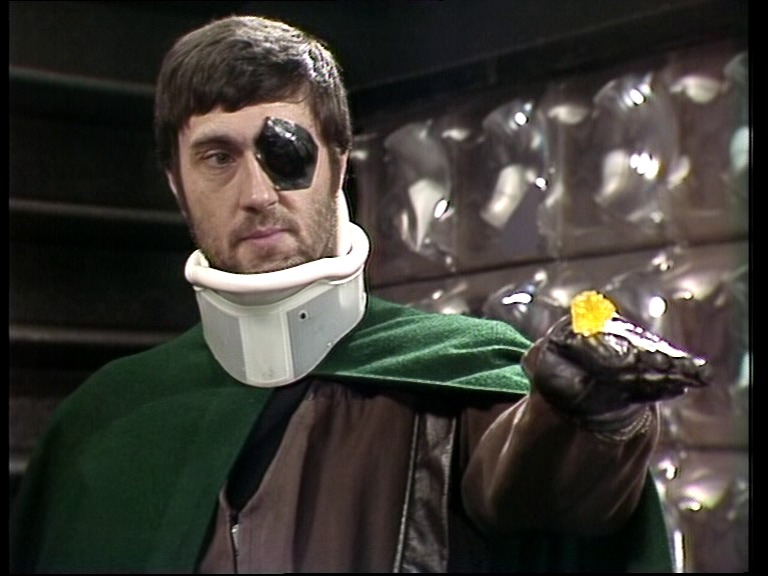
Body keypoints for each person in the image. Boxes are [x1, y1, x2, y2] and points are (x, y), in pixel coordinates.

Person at [10, 15, 710, 574]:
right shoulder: (102, 427)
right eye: (218, 157)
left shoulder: (457, 382)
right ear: (175, 182)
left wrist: (590, 421)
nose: (257, 194)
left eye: (286, 152)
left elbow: (542, 490)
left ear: (339, 163)